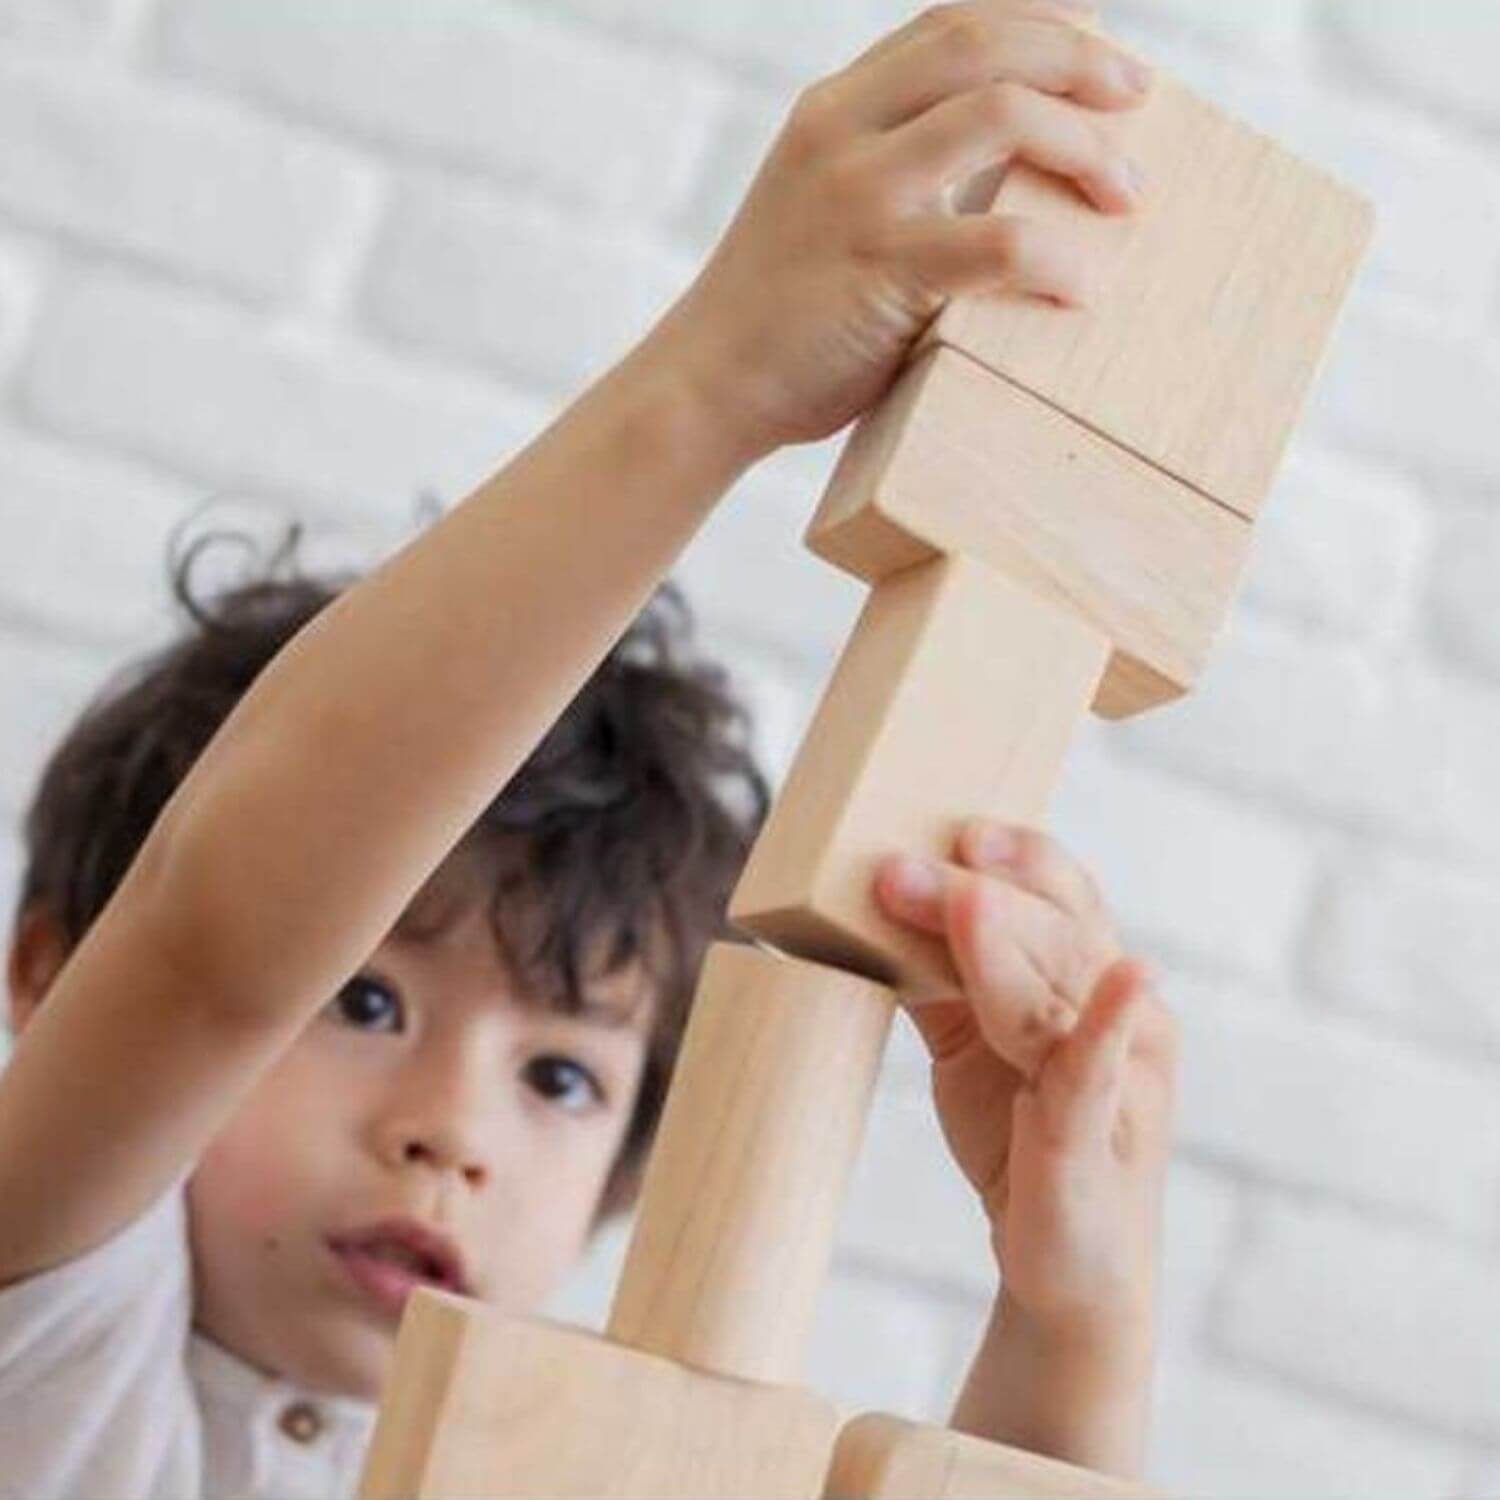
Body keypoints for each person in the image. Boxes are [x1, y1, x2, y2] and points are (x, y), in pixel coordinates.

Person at [0, 1, 1177, 1495]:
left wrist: (1072, 1316)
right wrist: (716, 382)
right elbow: (214, 945)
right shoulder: (55, 1336)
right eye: (363, 997)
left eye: (560, 1080)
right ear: (48, 973)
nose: (451, 1136)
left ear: (632, 1173)